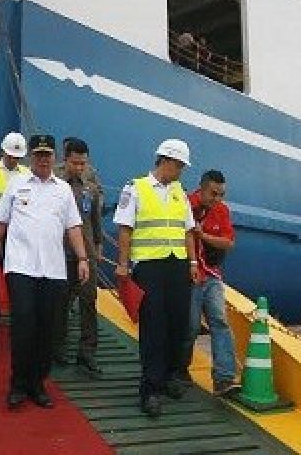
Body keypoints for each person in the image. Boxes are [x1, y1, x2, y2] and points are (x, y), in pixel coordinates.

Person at [0, 134, 90, 409]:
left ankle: (38, 383)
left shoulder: (63, 190)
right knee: (23, 325)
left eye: (48, 154)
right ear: (31, 156)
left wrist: (82, 258)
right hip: (20, 267)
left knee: (47, 328)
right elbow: (0, 221)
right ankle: (18, 384)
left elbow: (73, 227)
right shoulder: (16, 185)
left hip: (53, 270)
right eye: (39, 154)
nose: (43, 159)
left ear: (54, 157)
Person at [114, 139, 198, 418]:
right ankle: (150, 389)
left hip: (177, 266)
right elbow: (125, 229)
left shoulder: (179, 192)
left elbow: (187, 231)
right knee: (154, 328)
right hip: (148, 267)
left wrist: (193, 262)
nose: (182, 172)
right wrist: (123, 265)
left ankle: (169, 377)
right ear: (167, 161)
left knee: (178, 324)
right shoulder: (135, 188)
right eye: (180, 166)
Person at [182, 170, 239, 395]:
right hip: (191, 276)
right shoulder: (186, 204)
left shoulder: (222, 210)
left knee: (220, 322)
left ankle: (224, 377)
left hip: (212, 276)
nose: (217, 199)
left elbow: (228, 242)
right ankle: (179, 369)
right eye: (213, 194)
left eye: (221, 195)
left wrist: (204, 236)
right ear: (202, 188)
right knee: (191, 326)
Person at [51, 137, 104, 373]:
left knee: (88, 302)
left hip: (87, 254)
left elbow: (94, 220)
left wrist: (99, 246)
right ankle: (57, 347)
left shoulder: (90, 188)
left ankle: (87, 352)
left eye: (83, 163)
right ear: (66, 159)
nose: (80, 168)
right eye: (76, 163)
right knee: (60, 302)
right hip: (60, 252)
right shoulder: (54, 186)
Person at [0, 132, 30, 327]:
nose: (14, 159)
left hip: (18, 229)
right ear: (3, 151)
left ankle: (15, 308)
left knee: (16, 269)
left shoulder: (27, 174)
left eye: (17, 157)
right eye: (11, 155)